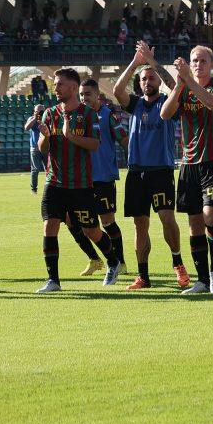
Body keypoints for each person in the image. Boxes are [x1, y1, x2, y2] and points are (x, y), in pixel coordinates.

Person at [34, 68, 120, 293]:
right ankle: (53, 280)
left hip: (80, 185)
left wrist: (71, 136)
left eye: (60, 84)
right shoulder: (50, 113)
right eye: (55, 84)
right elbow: (42, 149)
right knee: (49, 227)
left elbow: (95, 144)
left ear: (73, 87)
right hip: (54, 182)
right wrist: (45, 135)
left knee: (92, 230)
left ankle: (112, 261)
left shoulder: (89, 114)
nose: (56, 88)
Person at [113, 41, 190, 290]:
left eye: (152, 78)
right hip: (136, 172)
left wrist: (154, 64)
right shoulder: (135, 104)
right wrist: (136, 63)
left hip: (161, 170)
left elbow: (175, 87)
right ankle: (143, 276)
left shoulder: (168, 102)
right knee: (139, 224)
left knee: (167, 217)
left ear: (159, 82)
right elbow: (117, 90)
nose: (148, 82)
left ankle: (178, 263)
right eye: (144, 79)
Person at [160, 45, 213, 295]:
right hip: (188, 163)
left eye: (203, 61)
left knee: (211, 217)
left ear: (211, 64)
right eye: (194, 61)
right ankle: (201, 280)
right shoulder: (184, 88)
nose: (198, 64)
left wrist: (189, 81)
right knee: (194, 223)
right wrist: (180, 85)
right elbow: (165, 113)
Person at [79, 80, 129, 278]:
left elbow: (124, 140)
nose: (84, 98)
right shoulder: (78, 116)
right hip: (82, 180)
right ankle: (97, 259)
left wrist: (134, 162)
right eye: (82, 95)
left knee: (107, 222)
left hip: (103, 178)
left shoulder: (108, 115)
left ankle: (121, 262)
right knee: (84, 225)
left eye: (88, 94)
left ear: (97, 94)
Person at [24, 104, 46, 193]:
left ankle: (49, 188)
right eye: (38, 111)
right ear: (34, 111)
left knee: (48, 169)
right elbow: (26, 127)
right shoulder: (31, 119)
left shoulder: (46, 119)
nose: (40, 113)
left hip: (45, 147)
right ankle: (34, 189)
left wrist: (43, 119)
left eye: (42, 111)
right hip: (35, 148)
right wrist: (35, 117)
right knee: (35, 169)